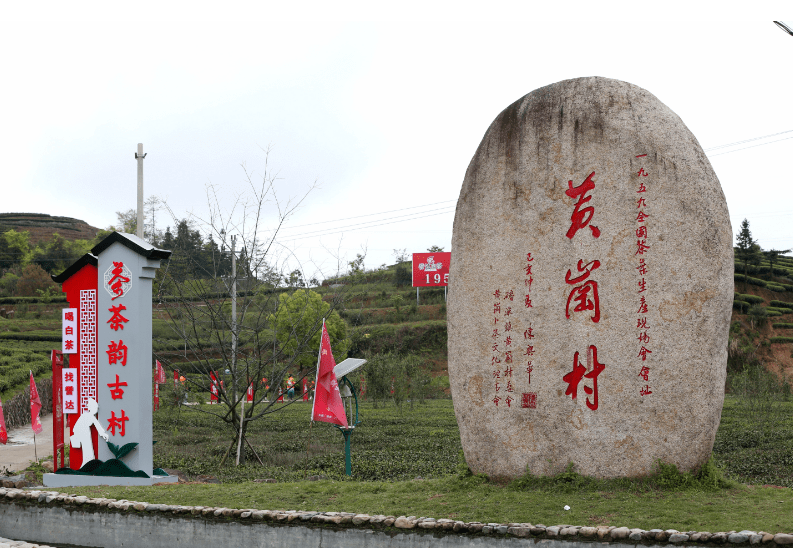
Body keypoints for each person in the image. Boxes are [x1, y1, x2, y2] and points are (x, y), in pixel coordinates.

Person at [70, 398, 109, 467]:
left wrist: (103, 434)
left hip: (86, 433)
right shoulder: (85, 415)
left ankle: (89, 463)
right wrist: (77, 433)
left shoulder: (90, 416)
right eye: (95, 408)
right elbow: (76, 426)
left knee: (88, 448)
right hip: (83, 433)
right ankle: (87, 463)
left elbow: (97, 426)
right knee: (87, 448)